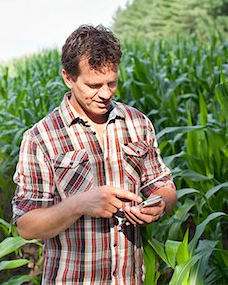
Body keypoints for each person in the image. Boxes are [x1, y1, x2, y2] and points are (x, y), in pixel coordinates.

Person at [11, 24, 177, 284]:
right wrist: (80, 204)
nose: (105, 94)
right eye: (94, 85)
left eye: (112, 83)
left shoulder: (137, 123)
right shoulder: (41, 138)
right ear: (68, 78)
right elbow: (26, 226)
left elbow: (163, 185)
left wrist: (159, 205)